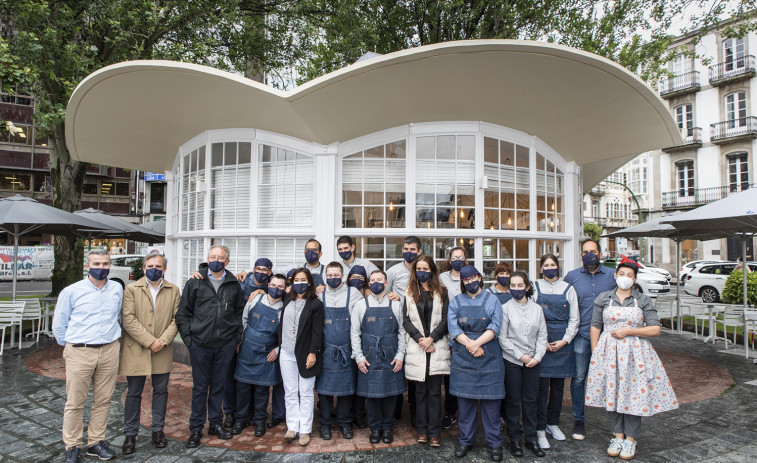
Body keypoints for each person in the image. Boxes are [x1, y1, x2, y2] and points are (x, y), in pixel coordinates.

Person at [586, 261, 679, 461]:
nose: (625, 277)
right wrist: (596, 354)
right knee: (613, 393)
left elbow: (654, 329)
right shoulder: (604, 299)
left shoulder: (642, 300)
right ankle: (617, 436)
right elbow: (595, 326)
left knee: (633, 395)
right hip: (609, 353)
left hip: (636, 355)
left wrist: (629, 330)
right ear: (615, 275)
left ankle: (631, 439)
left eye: (629, 275)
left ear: (634, 279)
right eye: (621, 273)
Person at [53, 250, 123, 463]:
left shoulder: (117, 288)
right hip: (80, 351)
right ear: (87, 266)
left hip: (109, 350)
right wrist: (71, 347)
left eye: (105, 263)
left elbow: (117, 315)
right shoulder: (72, 291)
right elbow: (59, 325)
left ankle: (96, 442)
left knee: (103, 400)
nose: (101, 267)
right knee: (75, 402)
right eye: (96, 263)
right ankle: (72, 445)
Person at [175, 245, 246, 448]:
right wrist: (189, 339)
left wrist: (235, 339)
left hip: (225, 344)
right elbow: (182, 314)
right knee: (199, 388)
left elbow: (238, 313)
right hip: (200, 344)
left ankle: (215, 423)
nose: (216, 260)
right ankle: (196, 427)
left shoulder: (233, 285)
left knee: (218, 386)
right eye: (213, 256)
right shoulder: (195, 282)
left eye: (220, 257)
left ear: (227, 261)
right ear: (207, 259)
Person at [120, 252, 180, 455]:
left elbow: (176, 318)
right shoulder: (131, 289)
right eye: (150, 266)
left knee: (161, 391)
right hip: (137, 348)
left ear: (164, 269)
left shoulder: (174, 290)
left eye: (159, 266)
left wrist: (162, 341)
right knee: (134, 393)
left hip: (162, 349)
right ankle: (130, 434)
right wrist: (149, 341)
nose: (155, 269)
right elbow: (128, 319)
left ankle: (158, 431)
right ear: (144, 268)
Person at [448, 265, 505, 462]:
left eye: (473, 279)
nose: (471, 283)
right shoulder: (456, 302)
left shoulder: (492, 300)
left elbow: (495, 326)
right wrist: (471, 345)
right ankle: (465, 441)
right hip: (464, 357)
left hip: (488, 355)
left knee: (491, 406)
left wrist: (477, 343)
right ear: (462, 283)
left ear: (480, 278)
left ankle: (494, 443)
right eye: (466, 280)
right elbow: (453, 329)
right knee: (465, 405)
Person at [563, 239, 616, 440]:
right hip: (582, 336)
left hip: (609, 337)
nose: (589, 255)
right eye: (585, 252)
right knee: (578, 379)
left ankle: (616, 423)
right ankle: (579, 420)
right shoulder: (572, 277)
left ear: (600, 254)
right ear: (581, 255)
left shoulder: (612, 276)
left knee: (612, 379)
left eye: (592, 251)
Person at [351, 270, 406, 444]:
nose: (376, 282)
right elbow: (354, 332)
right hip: (369, 355)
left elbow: (402, 332)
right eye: (373, 280)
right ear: (369, 284)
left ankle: (388, 428)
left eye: (379, 280)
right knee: (372, 394)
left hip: (391, 354)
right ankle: (375, 428)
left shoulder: (396, 304)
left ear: (386, 283)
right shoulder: (360, 304)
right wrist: (359, 357)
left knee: (390, 395)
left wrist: (400, 355)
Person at [499, 271, 548, 458]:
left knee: (530, 401)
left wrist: (537, 357)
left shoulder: (537, 309)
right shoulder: (505, 308)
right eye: (513, 285)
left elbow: (543, 336)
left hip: (534, 361)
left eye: (520, 285)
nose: (516, 289)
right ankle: (514, 439)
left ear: (527, 287)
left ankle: (531, 439)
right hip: (512, 360)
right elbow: (502, 337)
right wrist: (521, 356)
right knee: (512, 401)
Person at [533, 254, 579, 450]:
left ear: (557, 267)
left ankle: (553, 423)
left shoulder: (568, 289)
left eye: (553, 265)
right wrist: (542, 343)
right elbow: (531, 316)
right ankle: (540, 428)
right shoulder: (534, 287)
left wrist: (565, 341)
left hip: (562, 343)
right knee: (541, 389)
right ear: (541, 268)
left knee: (558, 388)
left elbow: (574, 319)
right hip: (541, 342)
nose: (550, 268)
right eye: (546, 265)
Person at [402, 255, 449, 447]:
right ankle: (422, 430)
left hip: (437, 346)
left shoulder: (442, 291)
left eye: (425, 268)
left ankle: (435, 432)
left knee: (435, 394)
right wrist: (420, 339)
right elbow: (405, 320)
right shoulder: (409, 292)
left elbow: (447, 318)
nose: (422, 271)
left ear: (432, 271)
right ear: (415, 272)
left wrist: (432, 338)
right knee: (419, 393)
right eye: (418, 268)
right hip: (417, 347)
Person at [232, 274, 287, 437]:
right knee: (242, 389)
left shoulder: (283, 310)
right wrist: (239, 342)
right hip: (246, 349)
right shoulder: (255, 300)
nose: (276, 289)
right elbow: (244, 320)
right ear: (268, 285)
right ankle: (240, 420)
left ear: (285, 289)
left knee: (262, 391)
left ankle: (260, 421)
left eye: (280, 287)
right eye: (274, 285)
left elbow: (285, 334)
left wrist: (277, 350)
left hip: (266, 354)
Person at [316, 262, 363, 440]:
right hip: (326, 351)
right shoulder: (319, 295)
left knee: (346, 391)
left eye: (336, 275)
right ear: (325, 276)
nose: (333, 278)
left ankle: (345, 423)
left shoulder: (354, 294)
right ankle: (325, 424)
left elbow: (359, 321)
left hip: (346, 350)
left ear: (343, 276)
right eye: (330, 275)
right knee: (324, 391)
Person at [278, 268, 324, 446]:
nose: (299, 283)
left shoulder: (315, 304)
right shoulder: (286, 300)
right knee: (290, 391)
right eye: (296, 280)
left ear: (310, 282)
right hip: (286, 353)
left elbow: (317, 331)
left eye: (303, 279)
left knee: (305, 392)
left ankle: (305, 429)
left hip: (306, 353)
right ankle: (292, 427)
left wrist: (313, 352)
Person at [385, 235, 422, 424]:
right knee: (397, 367)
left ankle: (416, 414)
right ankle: (396, 411)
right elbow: (386, 294)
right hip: (398, 325)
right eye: (406, 249)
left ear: (419, 251)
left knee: (415, 370)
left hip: (418, 325)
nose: (409, 252)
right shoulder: (393, 271)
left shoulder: (423, 270)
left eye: (412, 249)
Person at [438, 246, 467, 430]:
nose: (458, 259)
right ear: (450, 260)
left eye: (461, 257)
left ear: (466, 259)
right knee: (449, 373)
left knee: (464, 372)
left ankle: (466, 411)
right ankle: (450, 411)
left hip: (468, 329)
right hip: (447, 329)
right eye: (455, 257)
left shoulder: (470, 275)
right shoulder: (442, 278)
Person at [346, 264, 369, 428]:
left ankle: (358, 413)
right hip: (345, 341)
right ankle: (345, 413)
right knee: (347, 380)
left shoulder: (368, 297)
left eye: (360, 278)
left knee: (361, 379)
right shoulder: (343, 294)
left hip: (364, 342)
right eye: (353, 277)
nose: (356, 280)